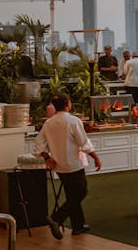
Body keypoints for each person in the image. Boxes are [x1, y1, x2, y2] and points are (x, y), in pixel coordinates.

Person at [34, 93, 101, 239]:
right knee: (80, 192)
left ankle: (78, 225)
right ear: (68, 104)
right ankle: (57, 218)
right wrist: (95, 157)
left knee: (72, 195)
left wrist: (47, 157)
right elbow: (83, 142)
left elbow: (38, 141)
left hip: (59, 164)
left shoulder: (49, 123)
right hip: (73, 164)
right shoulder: (73, 120)